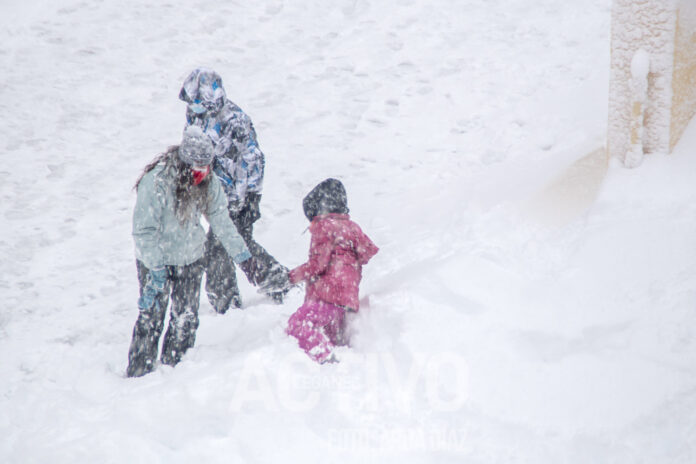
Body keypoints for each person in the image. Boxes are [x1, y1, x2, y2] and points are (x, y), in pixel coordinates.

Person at [127, 126, 253, 378]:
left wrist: (243, 256)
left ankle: (177, 372)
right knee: (151, 318)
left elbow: (220, 219)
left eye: (207, 166)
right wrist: (156, 267)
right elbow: (143, 231)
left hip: (191, 259)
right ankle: (139, 373)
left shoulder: (208, 182)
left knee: (185, 318)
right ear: (184, 163)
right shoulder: (157, 181)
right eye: (197, 167)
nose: (203, 173)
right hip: (157, 261)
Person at [178, 68, 289, 312]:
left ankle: (225, 302)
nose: (192, 109)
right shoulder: (196, 117)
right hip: (212, 193)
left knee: (221, 246)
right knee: (237, 242)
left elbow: (254, 159)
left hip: (238, 196)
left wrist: (252, 197)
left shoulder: (235, 121)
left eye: (196, 103)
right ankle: (275, 279)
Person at [286, 179, 379, 363]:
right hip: (346, 299)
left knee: (298, 323)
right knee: (331, 337)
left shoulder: (324, 226)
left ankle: (325, 357)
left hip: (328, 296)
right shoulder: (352, 227)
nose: (312, 225)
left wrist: (290, 277)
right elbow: (367, 252)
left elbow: (317, 265)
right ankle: (339, 362)